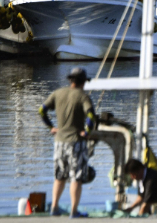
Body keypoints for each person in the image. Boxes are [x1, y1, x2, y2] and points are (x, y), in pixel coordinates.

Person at [39, 67, 96, 218]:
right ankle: (74, 211)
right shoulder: (83, 96)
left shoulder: (58, 93)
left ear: (71, 80)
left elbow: (41, 110)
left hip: (59, 141)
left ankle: (55, 208)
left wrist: (51, 127)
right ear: (83, 82)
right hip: (76, 141)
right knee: (76, 177)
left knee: (60, 176)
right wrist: (87, 132)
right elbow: (91, 115)